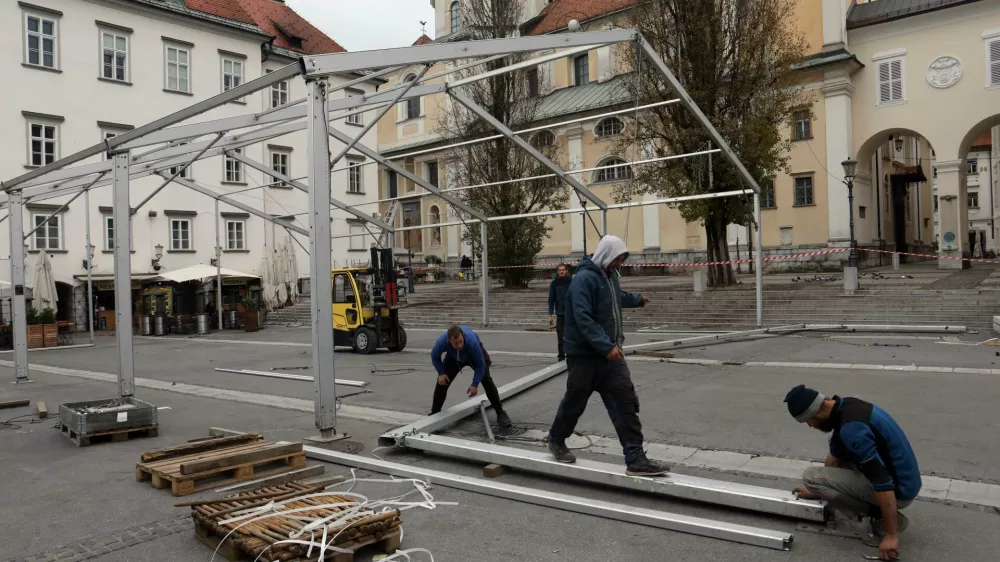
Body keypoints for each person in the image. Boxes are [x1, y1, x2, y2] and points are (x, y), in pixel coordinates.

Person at [546, 235, 668, 476]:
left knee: (625, 402)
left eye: (622, 259)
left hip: (609, 356)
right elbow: (583, 317)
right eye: (617, 259)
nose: (619, 264)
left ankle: (635, 457)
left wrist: (636, 299)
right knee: (575, 402)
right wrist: (605, 346)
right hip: (584, 356)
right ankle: (556, 439)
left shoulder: (609, 276)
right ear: (605, 255)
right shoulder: (583, 279)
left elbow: (615, 298)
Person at [784, 385, 921, 561]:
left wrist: (891, 534)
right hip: (905, 477)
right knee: (834, 464)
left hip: (899, 490)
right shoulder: (847, 407)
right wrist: (818, 490)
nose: (810, 426)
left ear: (814, 413)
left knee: (810, 476)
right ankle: (883, 514)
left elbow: (882, 481)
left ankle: (881, 520)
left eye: (807, 421)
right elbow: (835, 455)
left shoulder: (852, 430)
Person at [430, 325, 511, 427]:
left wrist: (475, 384)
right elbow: (434, 355)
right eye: (456, 343)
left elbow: (480, 365)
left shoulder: (472, 344)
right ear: (449, 340)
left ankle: (500, 412)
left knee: (486, 380)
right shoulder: (442, 341)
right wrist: (441, 373)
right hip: (454, 357)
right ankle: (434, 412)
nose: (459, 345)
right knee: (442, 382)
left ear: (463, 336)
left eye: (460, 341)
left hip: (473, 356)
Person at [547, 263, 572, 361]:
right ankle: (561, 356)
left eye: (563, 270)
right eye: (559, 270)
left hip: (571, 314)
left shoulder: (572, 282)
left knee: (571, 336)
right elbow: (551, 299)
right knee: (560, 337)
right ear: (557, 272)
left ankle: (571, 356)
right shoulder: (554, 284)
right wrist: (550, 315)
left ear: (566, 271)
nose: (561, 271)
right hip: (560, 314)